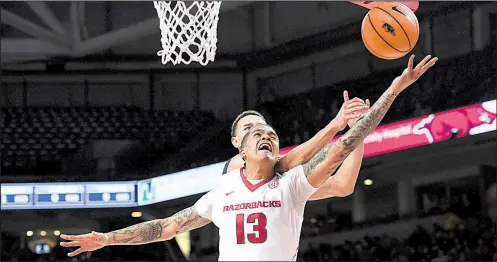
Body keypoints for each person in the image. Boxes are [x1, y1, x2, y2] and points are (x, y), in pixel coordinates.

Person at [60, 55, 437, 260]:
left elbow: (342, 149)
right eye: (256, 132)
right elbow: (164, 228)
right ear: (239, 148)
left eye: (271, 134)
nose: (267, 135)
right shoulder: (225, 185)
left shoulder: (291, 182)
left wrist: (394, 88)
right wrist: (107, 239)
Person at [224, 90, 370, 200]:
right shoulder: (235, 167)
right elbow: (286, 163)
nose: (258, 133)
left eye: (262, 128)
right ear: (235, 142)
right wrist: (335, 125)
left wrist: (358, 130)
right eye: (248, 128)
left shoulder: (287, 180)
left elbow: (342, 185)